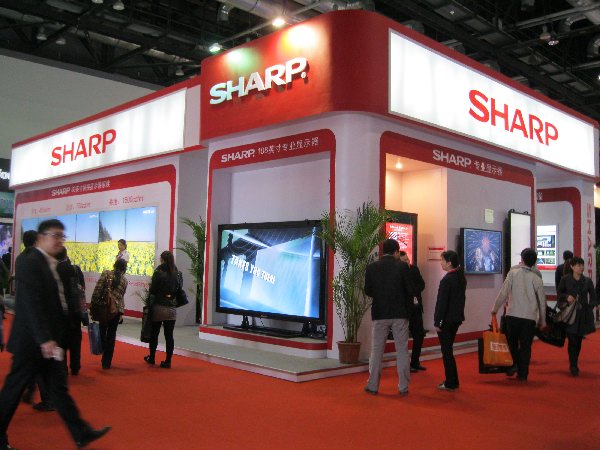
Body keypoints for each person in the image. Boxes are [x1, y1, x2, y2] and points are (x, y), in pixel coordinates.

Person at [0, 219, 110, 450]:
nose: (60, 240)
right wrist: (44, 339)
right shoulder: (30, 262)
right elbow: (31, 304)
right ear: (41, 238)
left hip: (48, 342)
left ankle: (81, 433)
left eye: (62, 236)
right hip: (32, 342)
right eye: (55, 235)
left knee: (58, 389)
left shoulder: (53, 264)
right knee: (13, 391)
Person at [363, 239, 413, 396]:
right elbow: (409, 289)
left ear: (382, 251)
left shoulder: (372, 267)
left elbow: (368, 290)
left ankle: (373, 385)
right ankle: (403, 386)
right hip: (400, 313)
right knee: (402, 350)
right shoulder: (402, 266)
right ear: (396, 251)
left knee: (377, 351)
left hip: (380, 313)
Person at [492, 248, 546, 382]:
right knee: (526, 346)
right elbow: (542, 301)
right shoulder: (537, 278)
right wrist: (542, 319)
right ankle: (523, 374)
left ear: (521, 259)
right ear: (534, 262)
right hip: (529, 317)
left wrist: (495, 308)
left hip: (513, 315)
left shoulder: (513, 273)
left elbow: (503, 292)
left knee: (512, 343)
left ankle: (514, 363)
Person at [556, 256, 597, 376]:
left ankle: (574, 362)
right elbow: (559, 293)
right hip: (570, 314)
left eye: (582, 265)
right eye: (578, 265)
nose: (581, 267)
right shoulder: (565, 279)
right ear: (572, 267)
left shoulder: (587, 281)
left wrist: (590, 307)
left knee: (578, 340)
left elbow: (593, 296)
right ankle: (573, 365)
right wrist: (566, 297)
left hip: (582, 314)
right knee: (572, 339)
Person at [434, 250, 466, 392]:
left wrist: (438, 322)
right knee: (448, 350)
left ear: (449, 263)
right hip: (456, 319)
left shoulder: (447, 280)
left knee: (446, 352)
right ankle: (453, 380)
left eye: (442, 260)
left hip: (446, 320)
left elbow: (442, 303)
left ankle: (451, 382)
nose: (441, 263)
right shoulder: (460, 277)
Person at [144, 251, 181, 369]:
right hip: (172, 307)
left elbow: (153, 290)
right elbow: (179, 289)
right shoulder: (178, 273)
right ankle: (168, 361)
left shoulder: (158, 272)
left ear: (162, 260)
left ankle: (152, 357)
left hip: (159, 306)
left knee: (154, 333)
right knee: (169, 335)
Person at [91, 258, 128, 369]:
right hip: (116, 311)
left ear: (114, 265)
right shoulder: (124, 281)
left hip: (104, 309)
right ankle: (107, 362)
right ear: (124, 269)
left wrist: (93, 304)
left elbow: (97, 290)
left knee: (102, 331)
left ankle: (102, 350)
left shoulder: (106, 273)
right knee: (111, 335)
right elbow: (121, 297)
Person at [56, 248, 88, 376]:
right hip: (75, 311)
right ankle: (75, 366)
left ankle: (62, 368)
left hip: (60, 311)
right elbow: (82, 288)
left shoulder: (53, 270)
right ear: (66, 255)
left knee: (60, 341)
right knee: (75, 339)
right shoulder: (75, 269)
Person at [398, 251, 427, 373]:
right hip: (403, 309)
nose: (407, 261)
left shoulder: (414, 269)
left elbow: (422, 283)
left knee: (419, 335)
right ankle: (404, 364)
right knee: (402, 337)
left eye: (408, 259)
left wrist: (413, 291)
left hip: (416, 307)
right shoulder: (398, 272)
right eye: (404, 260)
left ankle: (415, 361)